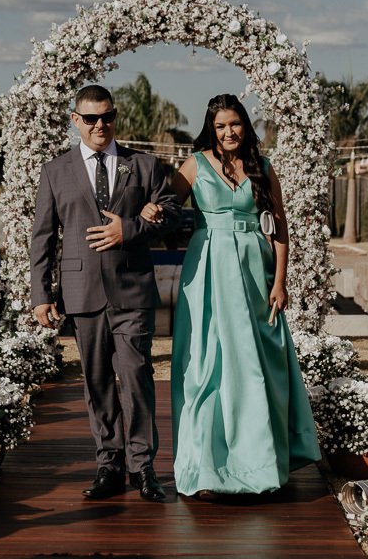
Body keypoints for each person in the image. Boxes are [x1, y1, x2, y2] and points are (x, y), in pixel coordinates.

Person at [144, 94, 321, 500]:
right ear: (212, 127)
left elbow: (279, 228)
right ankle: (208, 467)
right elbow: (168, 207)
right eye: (221, 125)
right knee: (207, 367)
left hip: (255, 273)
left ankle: (260, 463)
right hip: (206, 271)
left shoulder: (263, 167)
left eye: (235, 124)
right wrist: (151, 211)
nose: (228, 132)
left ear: (245, 125)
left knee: (256, 366)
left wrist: (280, 282)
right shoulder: (196, 163)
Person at [31, 84, 180, 501]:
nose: (100, 125)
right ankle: (109, 465)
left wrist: (130, 229)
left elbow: (172, 214)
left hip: (132, 288)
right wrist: (40, 295)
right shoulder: (54, 171)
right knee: (96, 382)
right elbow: (42, 237)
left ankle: (143, 467)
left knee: (136, 378)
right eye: (91, 118)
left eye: (107, 117)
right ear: (75, 119)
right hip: (81, 293)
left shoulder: (145, 165)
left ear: (116, 117)